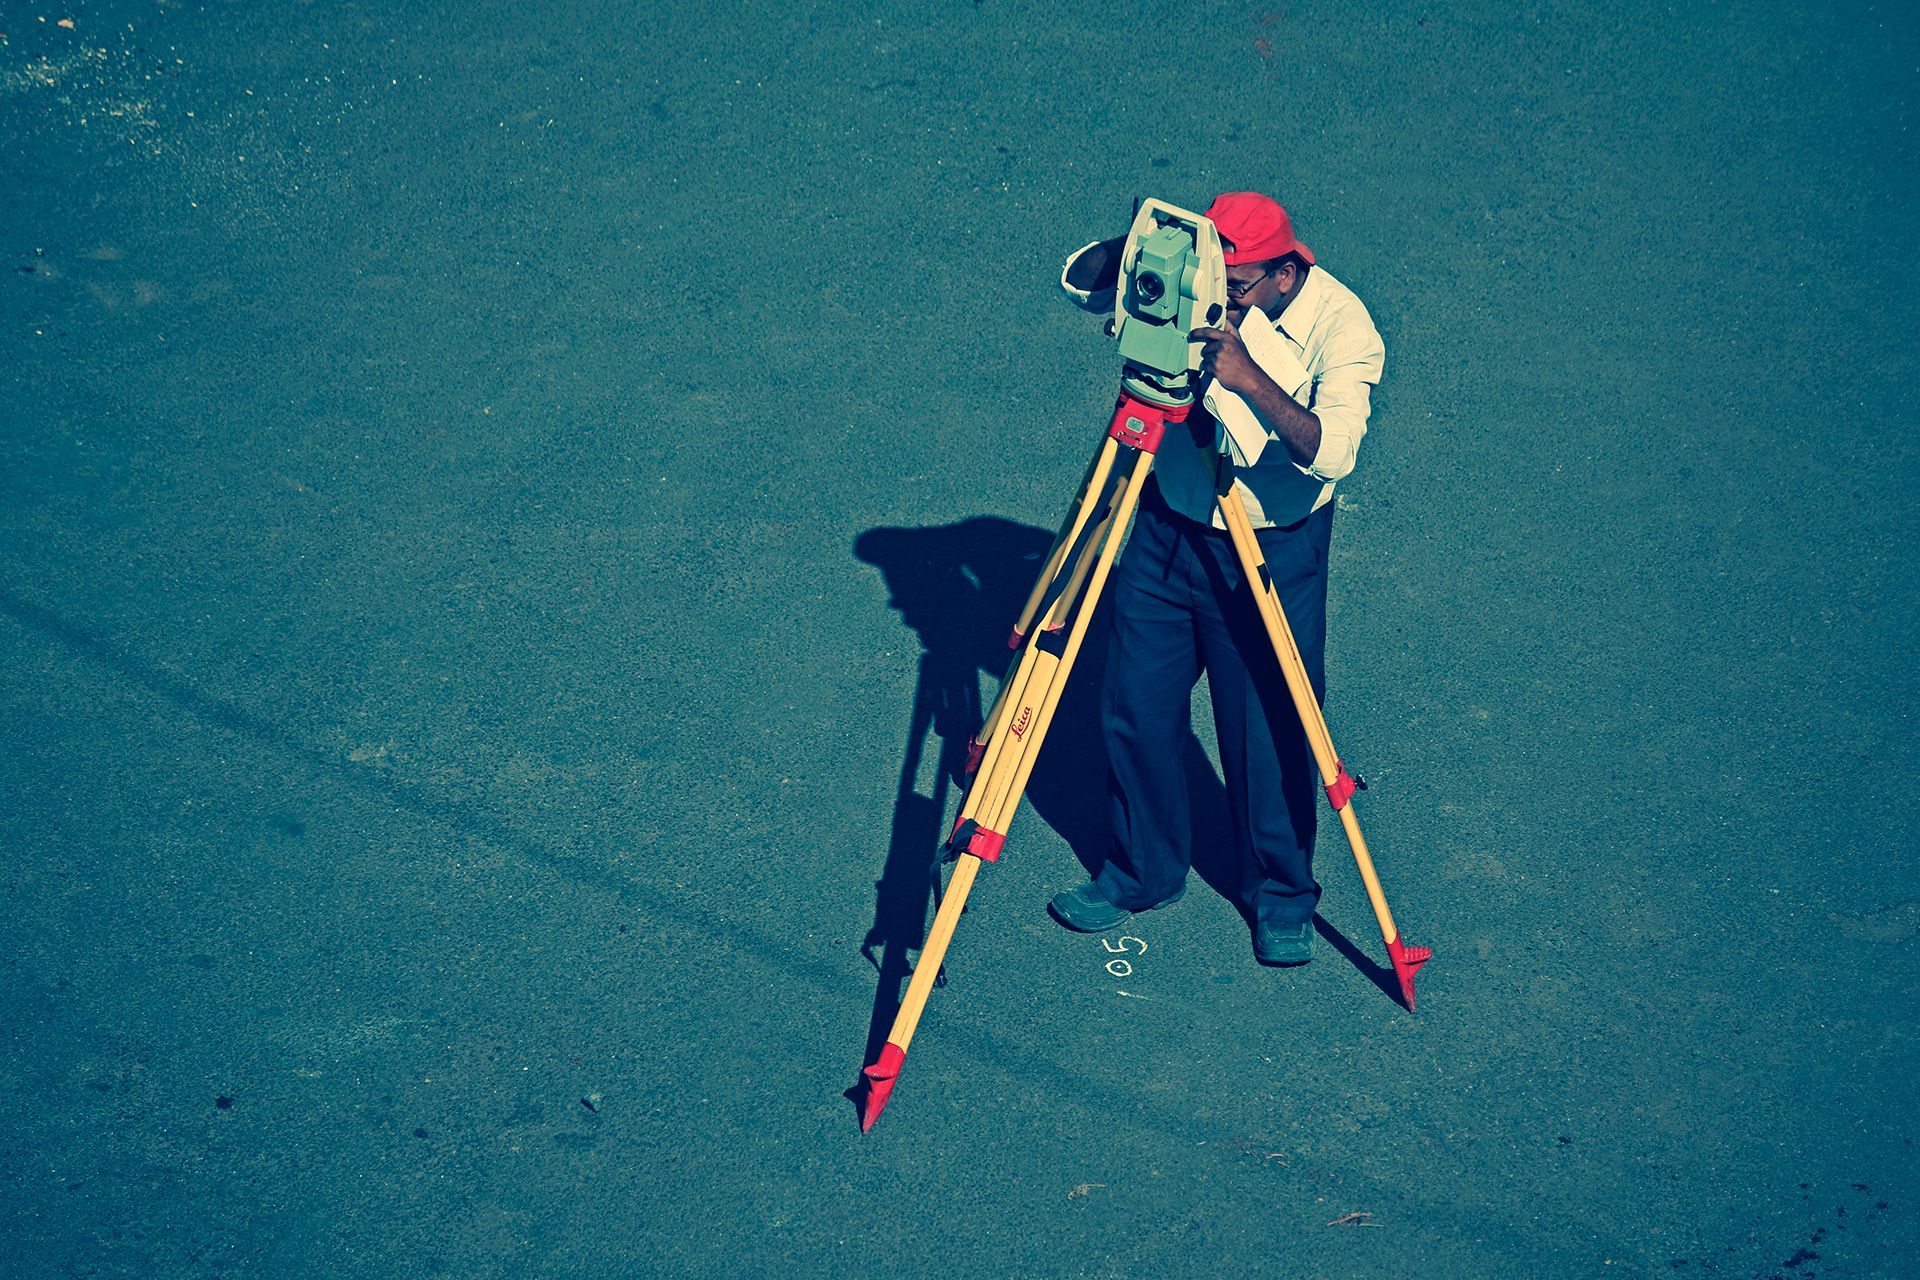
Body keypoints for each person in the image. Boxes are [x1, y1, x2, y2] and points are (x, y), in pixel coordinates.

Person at [1047, 191, 1385, 966]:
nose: (1218, 296)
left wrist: (1248, 375)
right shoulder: (1201, 279)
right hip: (1167, 524)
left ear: (1283, 269)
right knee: (1133, 705)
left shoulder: (1343, 325)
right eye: (1214, 276)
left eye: (1234, 282)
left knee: (1271, 728)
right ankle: (1141, 871)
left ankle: (1281, 896)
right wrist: (1137, 250)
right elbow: (1077, 280)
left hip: (1271, 548)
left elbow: (1331, 452)